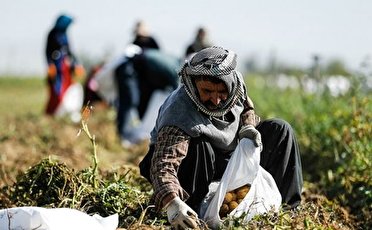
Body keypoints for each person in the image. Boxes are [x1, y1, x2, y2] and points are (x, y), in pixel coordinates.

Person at [139, 46, 303, 229]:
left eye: (221, 92)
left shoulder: (236, 85)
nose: (216, 100)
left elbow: (247, 107)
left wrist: (248, 128)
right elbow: (164, 165)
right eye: (207, 91)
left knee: (280, 130)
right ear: (193, 85)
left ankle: (289, 210)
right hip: (191, 162)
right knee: (201, 145)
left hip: (225, 155)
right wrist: (172, 203)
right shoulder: (179, 113)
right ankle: (193, 212)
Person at [96, 45, 180, 147]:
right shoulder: (176, 72)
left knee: (135, 101)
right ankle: (122, 137)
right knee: (130, 101)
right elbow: (176, 98)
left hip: (136, 71)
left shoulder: (174, 64)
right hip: (128, 67)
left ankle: (127, 135)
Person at [45, 14, 85, 117]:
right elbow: (47, 51)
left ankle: (66, 110)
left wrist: (76, 64)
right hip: (56, 66)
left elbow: (69, 51)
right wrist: (50, 65)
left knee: (68, 87)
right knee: (57, 88)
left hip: (65, 66)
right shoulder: (52, 34)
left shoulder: (65, 34)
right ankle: (53, 112)